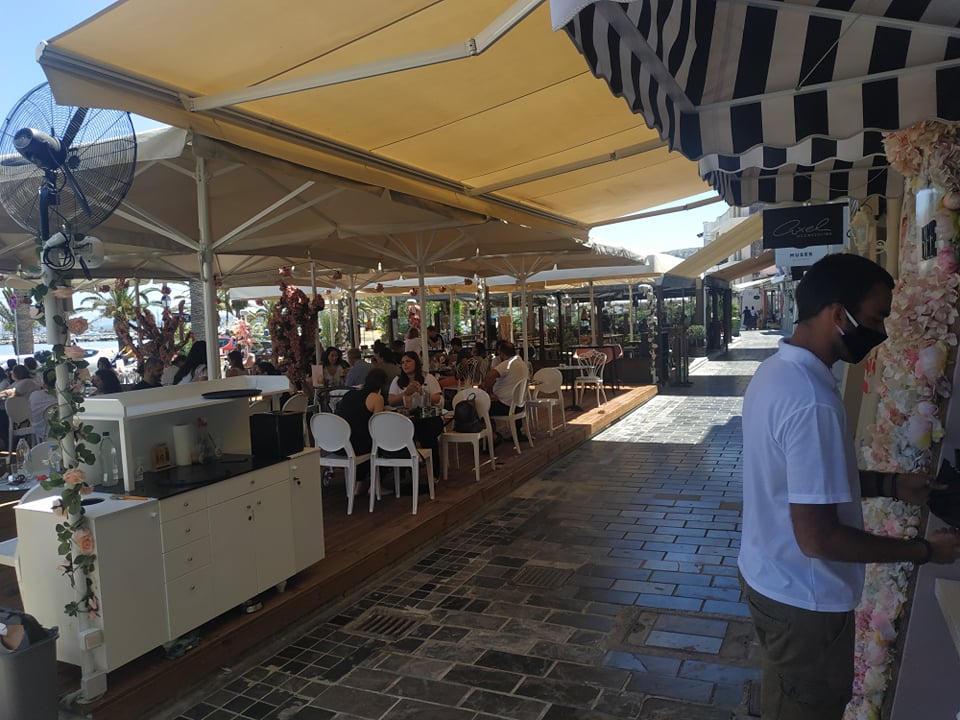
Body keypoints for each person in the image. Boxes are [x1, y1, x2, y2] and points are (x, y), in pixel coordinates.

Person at [738, 253, 960, 720]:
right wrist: (924, 551)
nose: (882, 332)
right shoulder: (811, 401)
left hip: (770, 576)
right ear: (839, 314)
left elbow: (803, 484)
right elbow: (818, 538)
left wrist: (890, 484)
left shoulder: (775, 374)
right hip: (805, 601)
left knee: (785, 697)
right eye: (876, 317)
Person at [334, 368, 387, 495]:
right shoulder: (377, 398)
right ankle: (375, 485)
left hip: (340, 444)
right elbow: (377, 426)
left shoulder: (349, 394)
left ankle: (359, 484)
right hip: (358, 446)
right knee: (380, 443)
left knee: (362, 437)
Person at [480, 340, 528, 442]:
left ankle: (492, 437)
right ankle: (500, 434)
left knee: (480, 407)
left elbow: (489, 376)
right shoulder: (522, 364)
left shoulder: (508, 363)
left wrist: (489, 392)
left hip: (505, 406)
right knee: (487, 405)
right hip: (519, 406)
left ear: (502, 353)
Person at [29, 368, 58, 441]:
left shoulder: (34, 395)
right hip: (64, 431)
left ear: (44, 383)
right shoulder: (64, 396)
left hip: (41, 431)